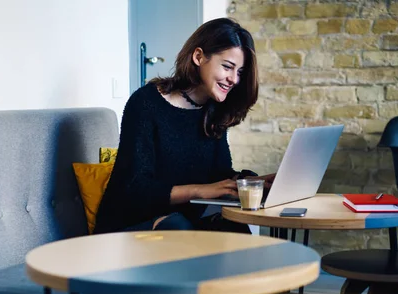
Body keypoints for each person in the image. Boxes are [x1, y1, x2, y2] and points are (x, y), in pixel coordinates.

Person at [94, 18, 274, 234]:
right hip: (129, 225)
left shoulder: (214, 111)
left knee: (235, 228)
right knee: (178, 227)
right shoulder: (145, 103)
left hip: (182, 224)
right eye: (227, 67)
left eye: (240, 72)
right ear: (198, 57)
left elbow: (219, 175)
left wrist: (254, 182)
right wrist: (201, 191)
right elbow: (134, 191)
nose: (234, 79)